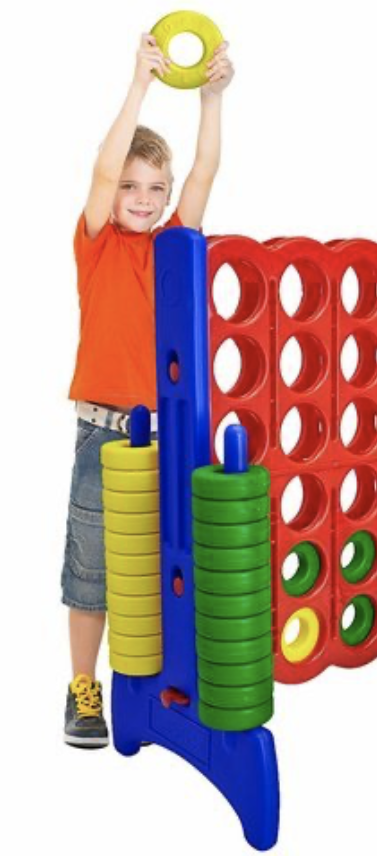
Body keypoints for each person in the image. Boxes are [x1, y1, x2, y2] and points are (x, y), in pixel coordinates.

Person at [62, 33, 234, 747]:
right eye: (131, 187)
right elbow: (102, 173)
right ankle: (82, 688)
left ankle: (162, 683)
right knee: (93, 569)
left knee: (166, 565)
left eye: (151, 190)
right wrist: (138, 86)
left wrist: (211, 98)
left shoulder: (172, 246)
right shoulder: (97, 240)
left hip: (167, 436)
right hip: (105, 433)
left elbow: (204, 174)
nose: (139, 198)